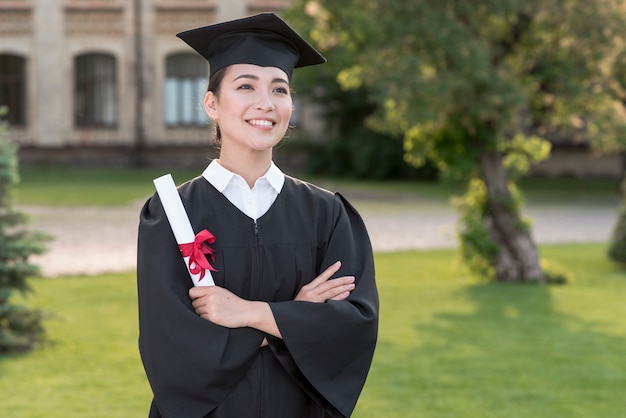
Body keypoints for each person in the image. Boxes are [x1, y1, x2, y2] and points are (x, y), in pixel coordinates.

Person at [137, 12, 378, 418]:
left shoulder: (328, 214)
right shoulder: (170, 213)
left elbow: (351, 326)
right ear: (211, 103)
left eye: (279, 89)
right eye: (246, 86)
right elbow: (172, 344)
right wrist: (295, 316)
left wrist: (250, 312)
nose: (265, 103)